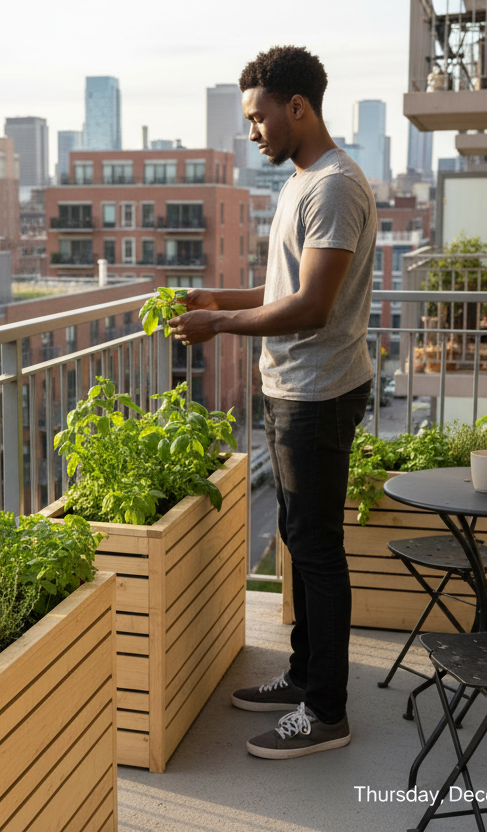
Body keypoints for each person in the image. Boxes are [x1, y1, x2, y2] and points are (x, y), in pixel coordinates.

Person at [168, 45, 376, 759]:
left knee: (317, 550)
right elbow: (286, 287)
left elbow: (313, 306)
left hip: (318, 391)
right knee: (299, 538)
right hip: (293, 387)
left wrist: (220, 325)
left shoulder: (334, 187)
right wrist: (217, 299)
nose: (252, 132)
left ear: (299, 107)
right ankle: (303, 677)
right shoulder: (300, 181)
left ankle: (326, 713)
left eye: (259, 117)